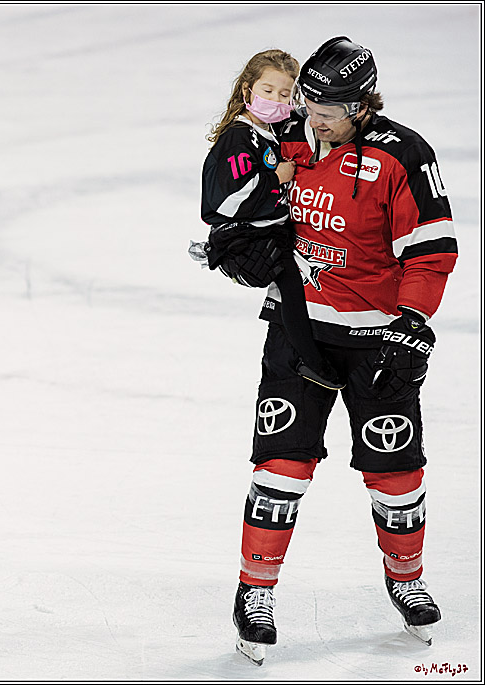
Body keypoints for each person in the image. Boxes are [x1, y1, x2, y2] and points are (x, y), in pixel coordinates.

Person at [229, 36, 458, 666]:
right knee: (281, 466)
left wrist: (413, 322)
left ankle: (407, 579)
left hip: (376, 339)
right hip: (297, 330)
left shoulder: (404, 154)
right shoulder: (285, 141)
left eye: (331, 109)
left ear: (363, 105)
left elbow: (431, 250)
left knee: (396, 472)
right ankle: (254, 593)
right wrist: (237, 245)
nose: (316, 117)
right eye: (310, 104)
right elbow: (239, 203)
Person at [194, 48, 343, 390]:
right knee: (291, 286)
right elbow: (228, 199)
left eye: (284, 94)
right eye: (268, 90)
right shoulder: (239, 136)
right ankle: (311, 360)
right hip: (245, 238)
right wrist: (276, 177)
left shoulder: (271, 131)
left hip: (268, 230)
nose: (276, 100)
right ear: (247, 90)